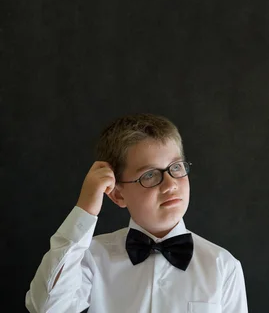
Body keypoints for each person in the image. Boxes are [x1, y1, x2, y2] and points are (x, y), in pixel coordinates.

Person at [26, 113, 248, 313]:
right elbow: (47, 308)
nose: (170, 184)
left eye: (176, 167)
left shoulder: (223, 265)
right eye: (150, 175)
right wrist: (86, 209)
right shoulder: (92, 258)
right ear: (118, 195)